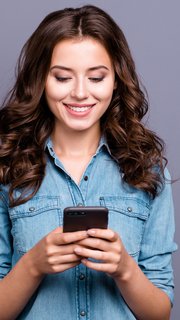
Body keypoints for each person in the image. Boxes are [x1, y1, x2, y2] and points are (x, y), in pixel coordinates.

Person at [0, 4, 177, 320]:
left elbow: (160, 313)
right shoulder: (7, 168)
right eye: (63, 77)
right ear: (41, 79)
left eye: (96, 77)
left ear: (116, 80)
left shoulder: (148, 169)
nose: (80, 93)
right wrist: (33, 264)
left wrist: (124, 269)